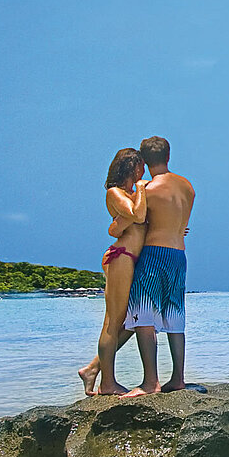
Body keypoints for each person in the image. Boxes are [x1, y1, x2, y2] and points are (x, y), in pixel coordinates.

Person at [109, 135, 196, 396]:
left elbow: (134, 220)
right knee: (175, 317)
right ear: (168, 156)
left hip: (154, 254)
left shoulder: (148, 189)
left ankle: (150, 383)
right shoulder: (187, 187)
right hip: (179, 255)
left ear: (144, 162)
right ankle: (178, 378)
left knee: (144, 317)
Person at [80, 148, 148, 396]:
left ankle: (92, 369)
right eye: (141, 166)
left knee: (133, 320)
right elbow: (138, 215)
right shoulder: (115, 193)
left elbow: (132, 223)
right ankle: (107, 383)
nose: (144, 170)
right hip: (121, 258)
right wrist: (141, 188)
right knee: (113, 322)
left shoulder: (130, 195)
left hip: (131, 259)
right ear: (131, 167)